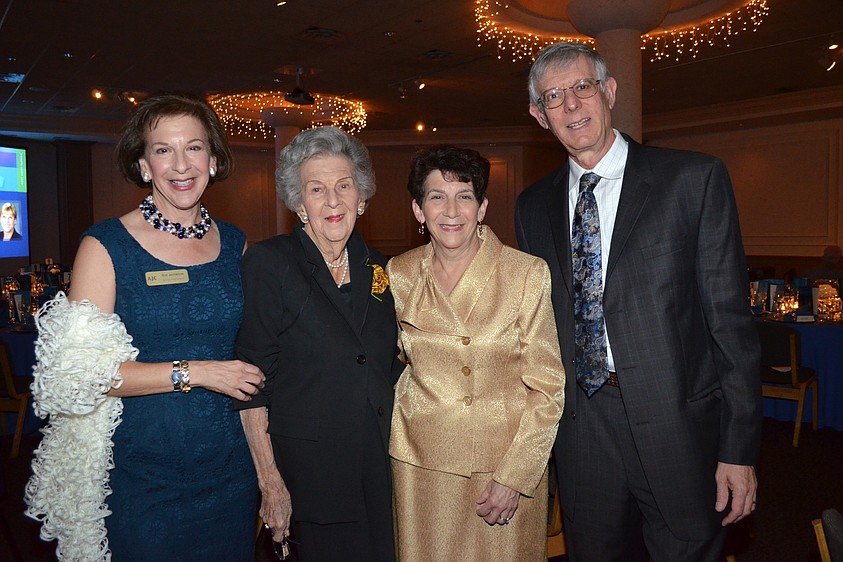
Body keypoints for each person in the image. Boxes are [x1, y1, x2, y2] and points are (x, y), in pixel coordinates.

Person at [515, 42, 762, 561]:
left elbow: (731, 327)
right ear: (540, 116)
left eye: (583, 87)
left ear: (609, 91)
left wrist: (738, 450)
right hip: (583, 431)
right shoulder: (532, 207)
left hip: (680, 429)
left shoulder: (692, 180)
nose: (572, 104)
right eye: (554, 96)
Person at [25, 94, 263, 562]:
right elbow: (83, 376)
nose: (181, 164)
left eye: (194, 148)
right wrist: (196, 371)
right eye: (163, 150)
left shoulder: (237, 244)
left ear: (213, 161)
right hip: (143, 475)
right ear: (143, 164)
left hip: (231, 472)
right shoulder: (105, 246)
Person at [387, 145, 565, 561]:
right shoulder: (399, 273)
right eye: (437, 197)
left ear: (482, 208)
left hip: (501, 466)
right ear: (418, 210)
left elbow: (548, 387)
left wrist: (516, 475)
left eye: (464, 196)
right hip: (419, 462)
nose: (451, 211)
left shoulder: (525, 273)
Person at [236, 126, 404, 562]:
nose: (333, 201)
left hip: (378, 468)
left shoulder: (384, 269)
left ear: (361, 198)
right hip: (307, 474)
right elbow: (251, 382)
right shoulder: (270, 263)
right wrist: (270, 481)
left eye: (344, 186)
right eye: (317, 189)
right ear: (299, 204)